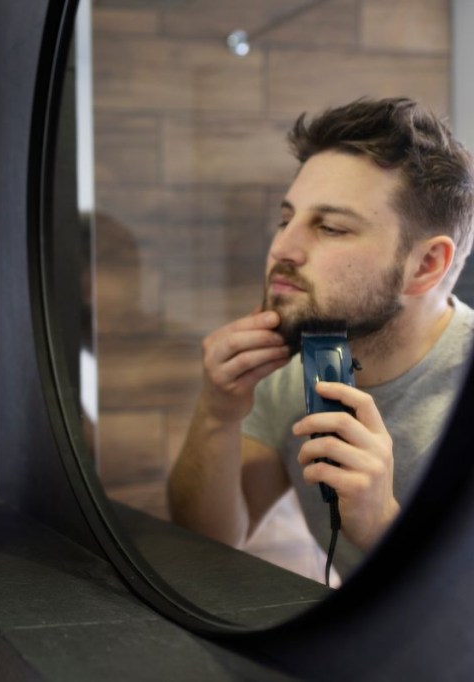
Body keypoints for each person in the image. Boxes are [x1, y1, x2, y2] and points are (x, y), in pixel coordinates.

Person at [167, 97, 474, 580]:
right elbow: (208, 544)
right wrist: (216, 413)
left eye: (330, 227)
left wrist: (382, 527)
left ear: (426, 265)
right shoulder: (291, 367)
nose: (281, 249)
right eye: (286, 219)